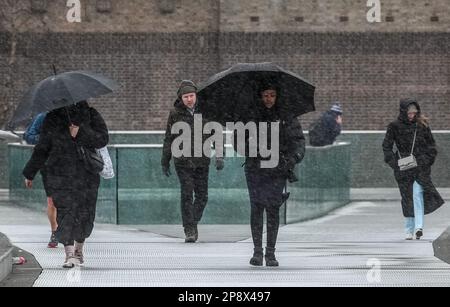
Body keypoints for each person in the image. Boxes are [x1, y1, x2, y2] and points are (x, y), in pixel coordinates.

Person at [23, 101, 109, 268]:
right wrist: (30, 171)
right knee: (65, 211)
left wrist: (80, 131)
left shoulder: (90, 114)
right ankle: (69, 253)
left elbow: (103, 139)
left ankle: (78, 249)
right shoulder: (53, 118)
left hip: (87, 174)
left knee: (85, 212)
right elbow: (43, 147)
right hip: (60, 173)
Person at [241, 83, 305, 267]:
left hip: (278, 168)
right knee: (256, 208)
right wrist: (252, 148)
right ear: (260, 96)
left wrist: (291, 160)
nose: (269, 99)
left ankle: (270, 253)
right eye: (266, 95)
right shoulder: (251, 116)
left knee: (273, 209)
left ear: (277, 97)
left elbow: (299, 142)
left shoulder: (286, 117)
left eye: (272, 95)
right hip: (255, 168)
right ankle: (257, 252)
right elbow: (239, 139)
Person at [161, 80, 225, 243]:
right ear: (181, 98)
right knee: (187, 194)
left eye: (191, 96)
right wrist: (165, 159)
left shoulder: (207, 111)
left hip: (202, 159)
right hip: (182, 160)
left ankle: (192, 222)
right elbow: (169, 137)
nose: (189, 99)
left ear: (196, 95)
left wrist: (219, 155)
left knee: (202, 196)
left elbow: (216, 133)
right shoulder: (175, 113)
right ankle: (189, 229)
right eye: (185, 97)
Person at [383, 98, 444, 240]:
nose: (412, 115)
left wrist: (426, 161)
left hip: (421, 167)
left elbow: (431, 146)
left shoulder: (422, 126)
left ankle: (418, 227)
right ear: (403, 112)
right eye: (409, 113)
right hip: (404, 167)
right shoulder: (394, 126)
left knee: (417, 194)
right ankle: (409, 229)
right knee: (407, 197)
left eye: (414, 113)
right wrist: (395, 163)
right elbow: (386, 146)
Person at [23, 112, 59, 248]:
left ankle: (67, 229)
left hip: (68, 163)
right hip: (48, 164)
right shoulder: (43, 117)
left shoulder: (74, 117)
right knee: (52, 201)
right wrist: (46, 138)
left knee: (68, 199)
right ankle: (55, 231)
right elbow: (29, 137)